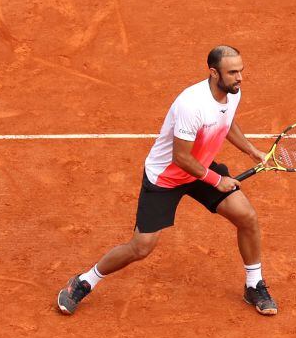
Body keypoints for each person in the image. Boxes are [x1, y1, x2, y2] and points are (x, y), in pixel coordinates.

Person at [57, 45, 278, 316]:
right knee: (141, 247)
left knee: (247, 217)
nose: (240, 78)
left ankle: (253, 285)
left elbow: (227, 122)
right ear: (213, 73)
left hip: (199, 166)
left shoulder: (232, 93)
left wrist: (252, 150)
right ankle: (84, 281)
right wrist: (216, 180)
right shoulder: (191, 104)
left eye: (241, 71)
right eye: (232, 72)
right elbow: (181, 157)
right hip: (167, 176)